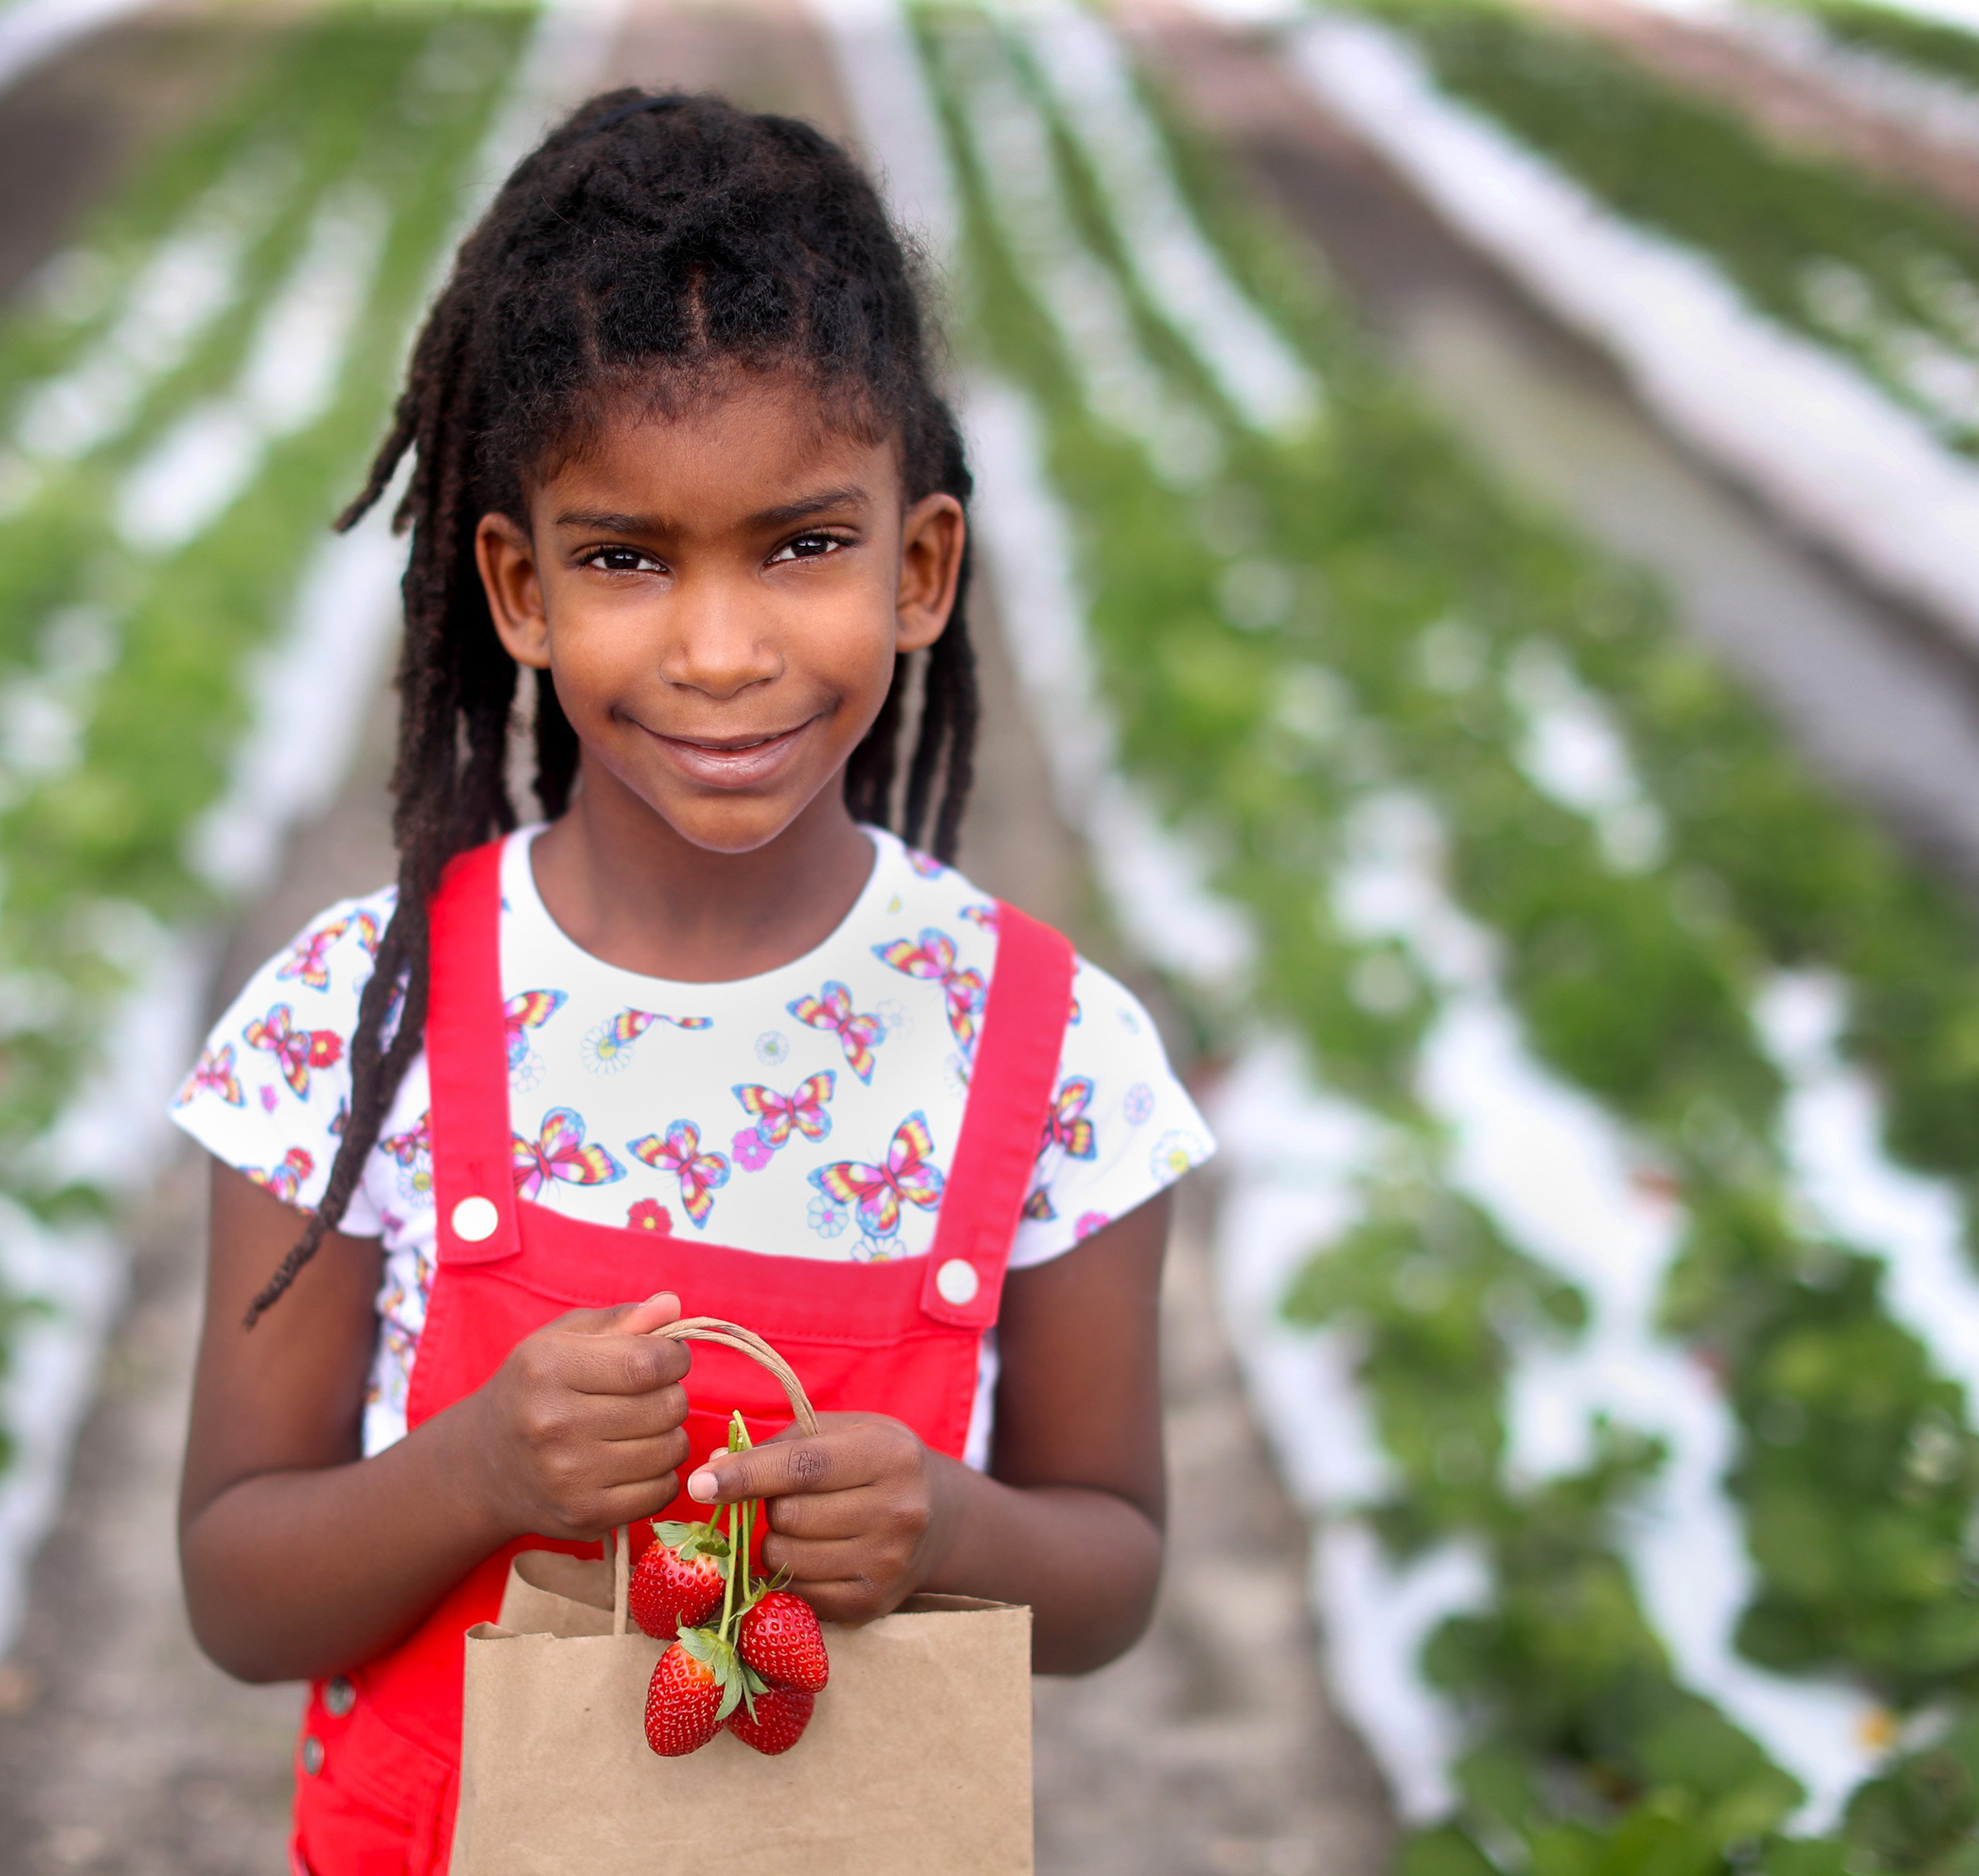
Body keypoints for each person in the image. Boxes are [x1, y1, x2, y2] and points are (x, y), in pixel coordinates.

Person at [168, 87, 1214, 1874]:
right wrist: (476, 1473)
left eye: (804, 545)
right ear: (517, 587)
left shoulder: (1050, 1055)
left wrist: (949, 1520)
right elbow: (239, 1592)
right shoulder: (359, 1023)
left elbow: (1109, 1566)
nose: (722, 652)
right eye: (628, 560)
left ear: (921, 566)